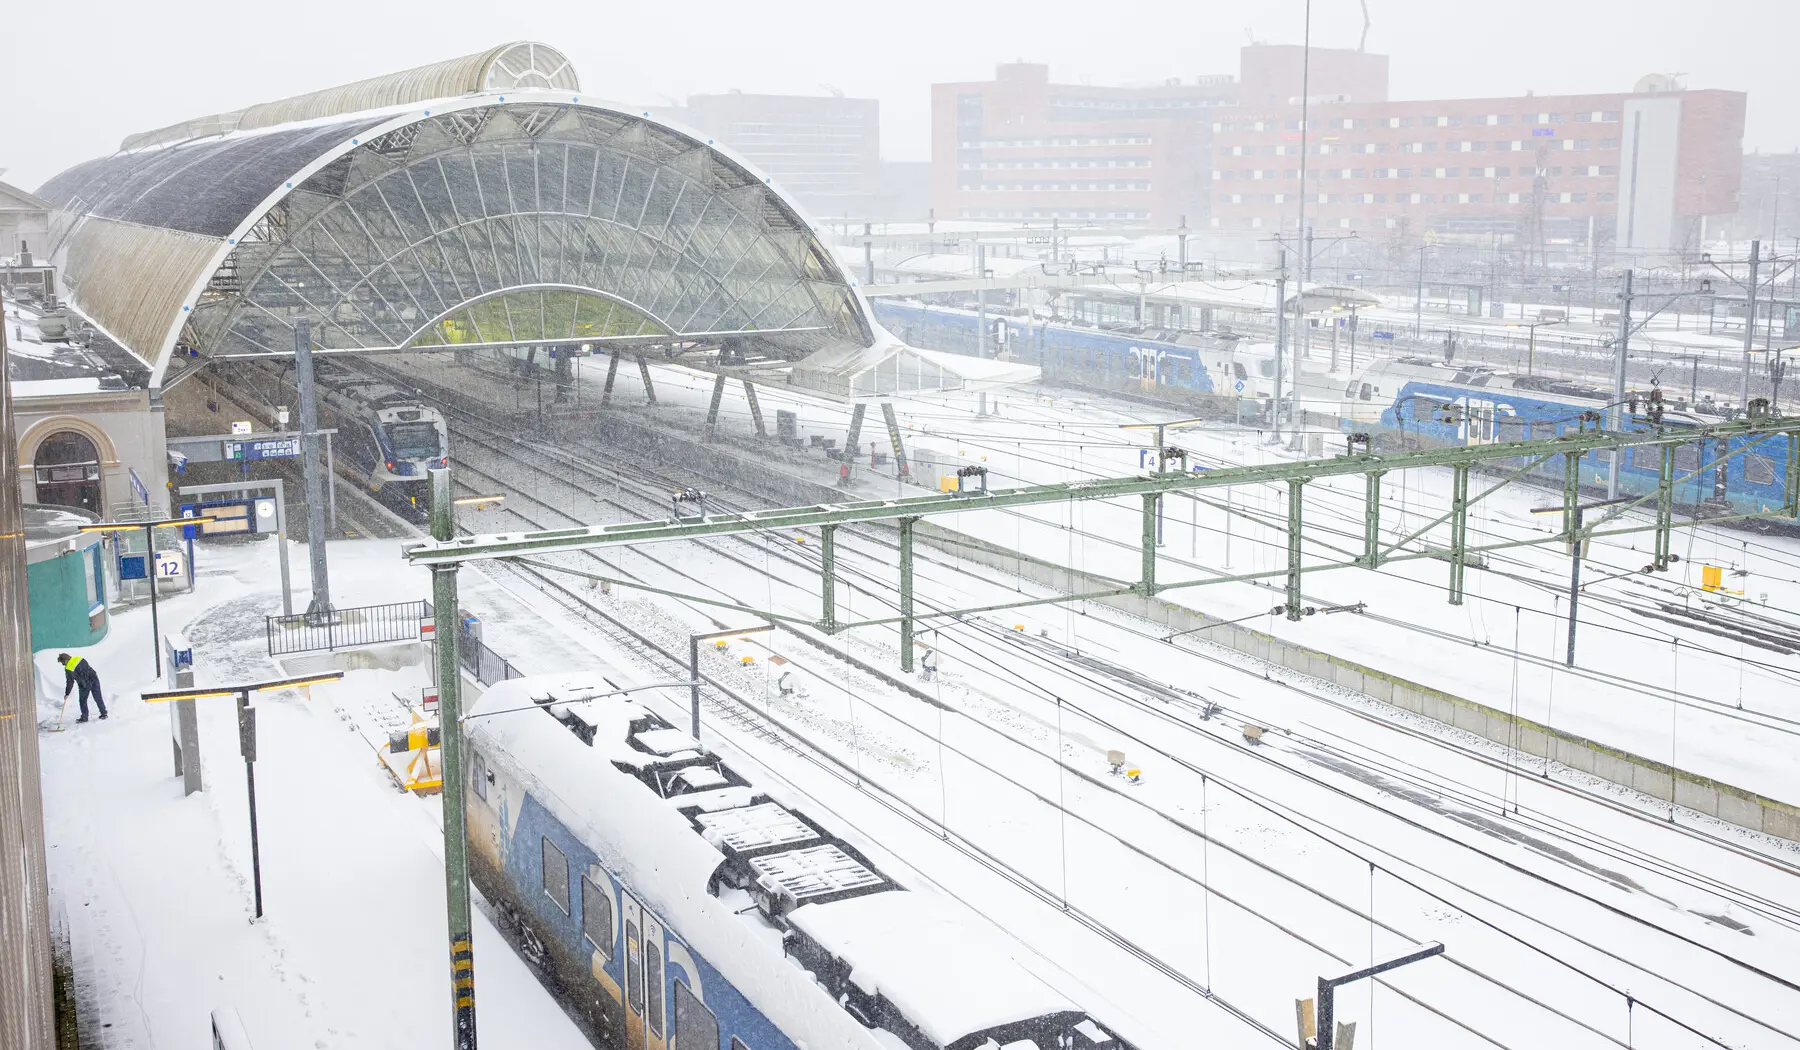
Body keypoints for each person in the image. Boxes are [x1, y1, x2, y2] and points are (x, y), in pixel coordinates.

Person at [58, 653, 106, 723]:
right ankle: (104, 713)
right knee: (98, 697)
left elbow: (70, 682)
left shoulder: (68, 668)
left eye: (62, 663)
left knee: (82, 701)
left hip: (84, 685)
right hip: (94, 678)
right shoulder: (78, 658)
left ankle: (84, 717)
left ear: (65, 661)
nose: (63, 665)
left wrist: (67, 693)